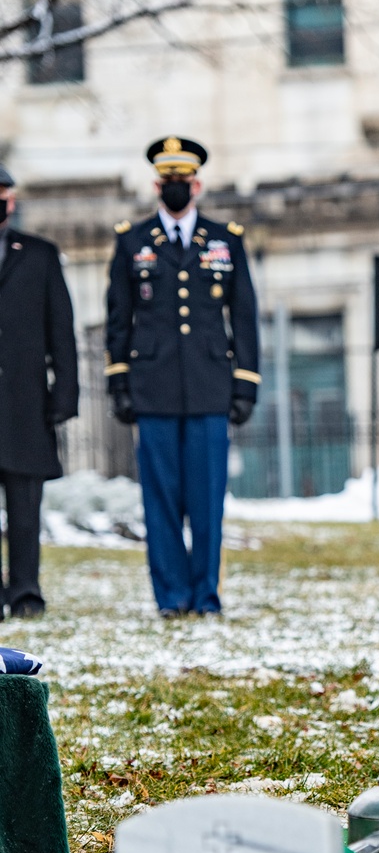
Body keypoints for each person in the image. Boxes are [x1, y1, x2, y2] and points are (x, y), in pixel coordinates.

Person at [105, 137, 260, 617]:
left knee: (207, 502)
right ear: (157, 185)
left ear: (198, 184)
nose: (176, 188)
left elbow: (245, 316)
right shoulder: (132, 240)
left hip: (211, 388)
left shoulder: (225, 239)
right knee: (161, 502)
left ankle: (205, 596)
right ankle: (171, 597)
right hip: (152, 391)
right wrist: (119, 381)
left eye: (183, 181)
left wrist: (245, 383)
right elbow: (118, 318)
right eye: (167, 181)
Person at [0, 164, 78, 618]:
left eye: (4, 195)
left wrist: (64, 395)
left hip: (27, 404)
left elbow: (61, 332)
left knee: (25, 508)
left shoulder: (40, 254)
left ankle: (26, 591)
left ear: (12, 202)